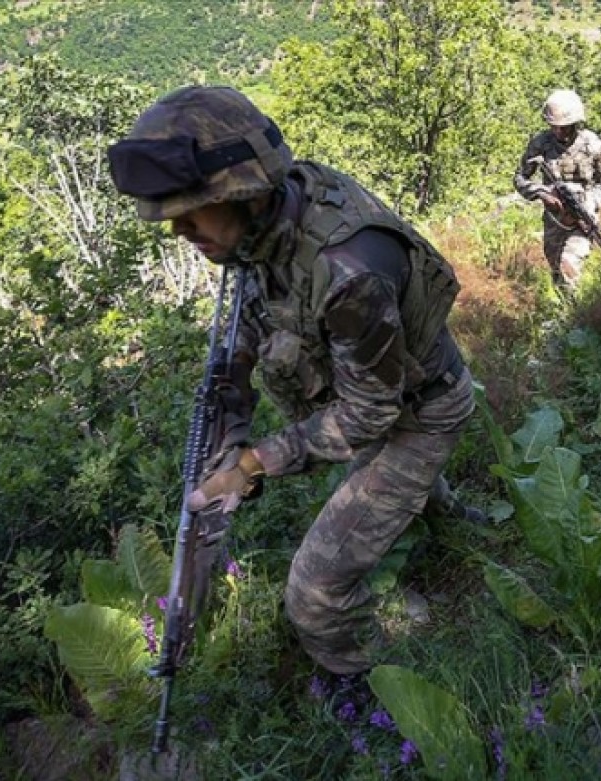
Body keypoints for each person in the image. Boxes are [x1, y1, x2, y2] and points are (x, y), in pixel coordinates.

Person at [107, 85, 483, 676]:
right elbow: (261, 307)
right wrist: (231, 399)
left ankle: (374, 681)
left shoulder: (348, 270)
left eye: (190, 212)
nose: (179, 231)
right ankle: (462, 527)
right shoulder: (274, 215)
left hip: (418, 415)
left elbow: (369, 418)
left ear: (245, 193)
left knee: (314, 593)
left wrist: (253, 463)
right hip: (379, 394)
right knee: (395, 488)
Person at [513, 89, 601, 291]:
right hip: (554, 219)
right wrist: (540, 193)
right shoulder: (540, 144)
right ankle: (568, 314)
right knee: (556, 270)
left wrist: (592, 202)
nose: (559, 132)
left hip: (582, 218)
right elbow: (520, 177)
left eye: (565, 127)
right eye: (554, 127)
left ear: (576, 122)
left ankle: (580, 315)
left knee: (569, 266)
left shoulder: (592, 145)